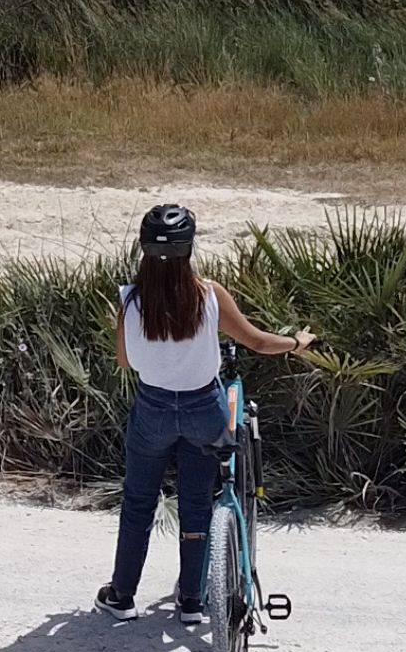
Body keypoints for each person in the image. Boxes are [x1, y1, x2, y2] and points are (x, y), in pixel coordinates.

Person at [96, 203, 312, 625]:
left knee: (139, 501)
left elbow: (124, 361)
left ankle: (122, 594)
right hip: (202, 409)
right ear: (188, 249)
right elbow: (259, 342)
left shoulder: (131, 301)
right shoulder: (208, 294)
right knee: (197, 501)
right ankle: (192, 599)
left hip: (153, 408)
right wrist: (297, 342)